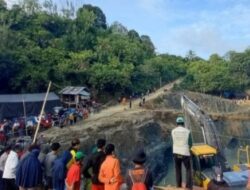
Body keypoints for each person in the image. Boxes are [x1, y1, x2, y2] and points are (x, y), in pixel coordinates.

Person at [171, 116, 193, 189]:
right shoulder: (187, 131)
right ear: (183, 123)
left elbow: (172, 142)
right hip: (185, 153)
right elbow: (190, 144)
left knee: (178, 169)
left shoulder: (173, 131)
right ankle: (188, 186)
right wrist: (188, 149)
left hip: (176, 153)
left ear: (177, 123)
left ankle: (178, 186)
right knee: (188, 169)